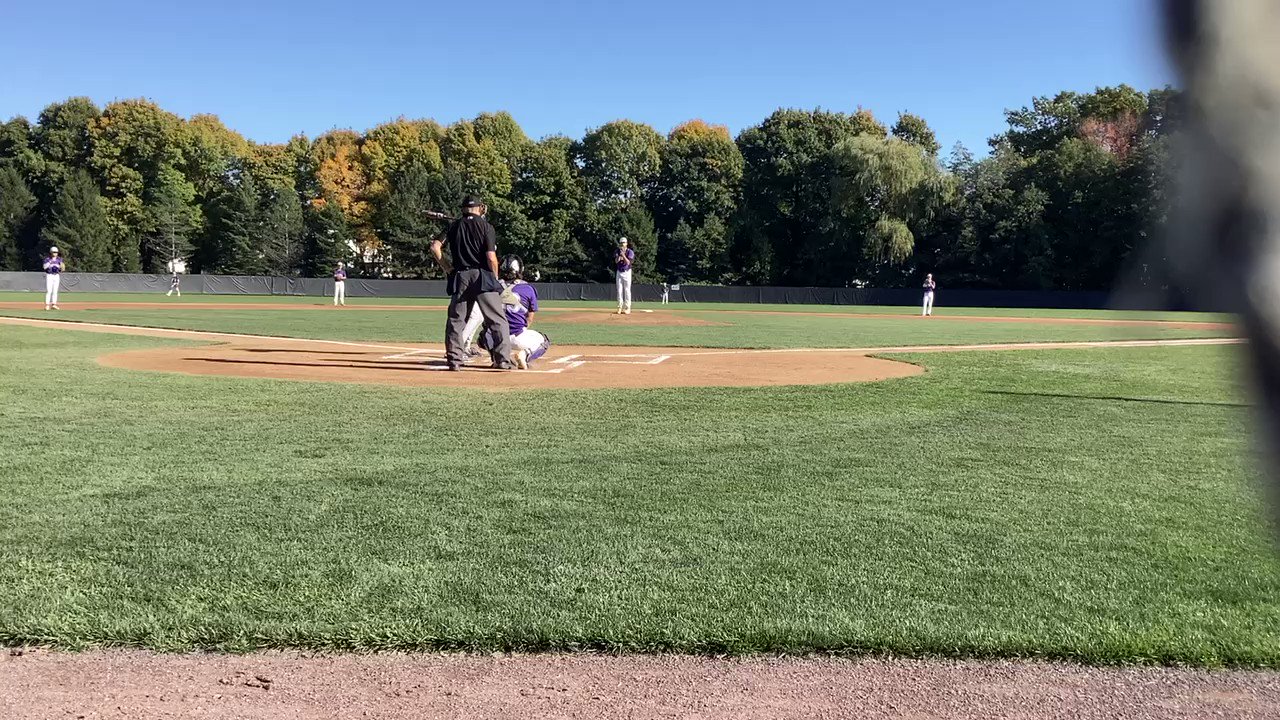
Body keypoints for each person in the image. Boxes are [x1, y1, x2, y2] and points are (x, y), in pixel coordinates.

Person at [431, 195, 513, 370]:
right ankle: (503, 360)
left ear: (463, 209)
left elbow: (435, 247)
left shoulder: (453, 226)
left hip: (461, 275)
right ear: (480, 208)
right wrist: (495, 277)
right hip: (483, 275)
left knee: (456, 320)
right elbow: (491, 257)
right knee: (497, 321)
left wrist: (447, 268)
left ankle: (454, 360)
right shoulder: (486, 226)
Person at [477, 255, 551, 370]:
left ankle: (498, 358)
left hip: (496, 338)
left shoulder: (492, 286)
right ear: (520, 269)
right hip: (518, 337)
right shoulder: (528, 288)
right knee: (544, 341)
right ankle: (525, 355)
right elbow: (529, 318)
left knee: (483, 336)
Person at [613, 237, 635, 315]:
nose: (622, 244)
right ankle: (619, 307)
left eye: (624, 243)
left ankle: (627, 307)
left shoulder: (630, 252)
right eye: (621, 243)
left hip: (627, 272)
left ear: (626, 243)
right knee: (619, 290)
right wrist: (619, 256)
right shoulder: (617, 251)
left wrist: (623, 255)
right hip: (619, 272)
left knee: (627, 290)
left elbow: (628, 262)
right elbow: (616, 261)